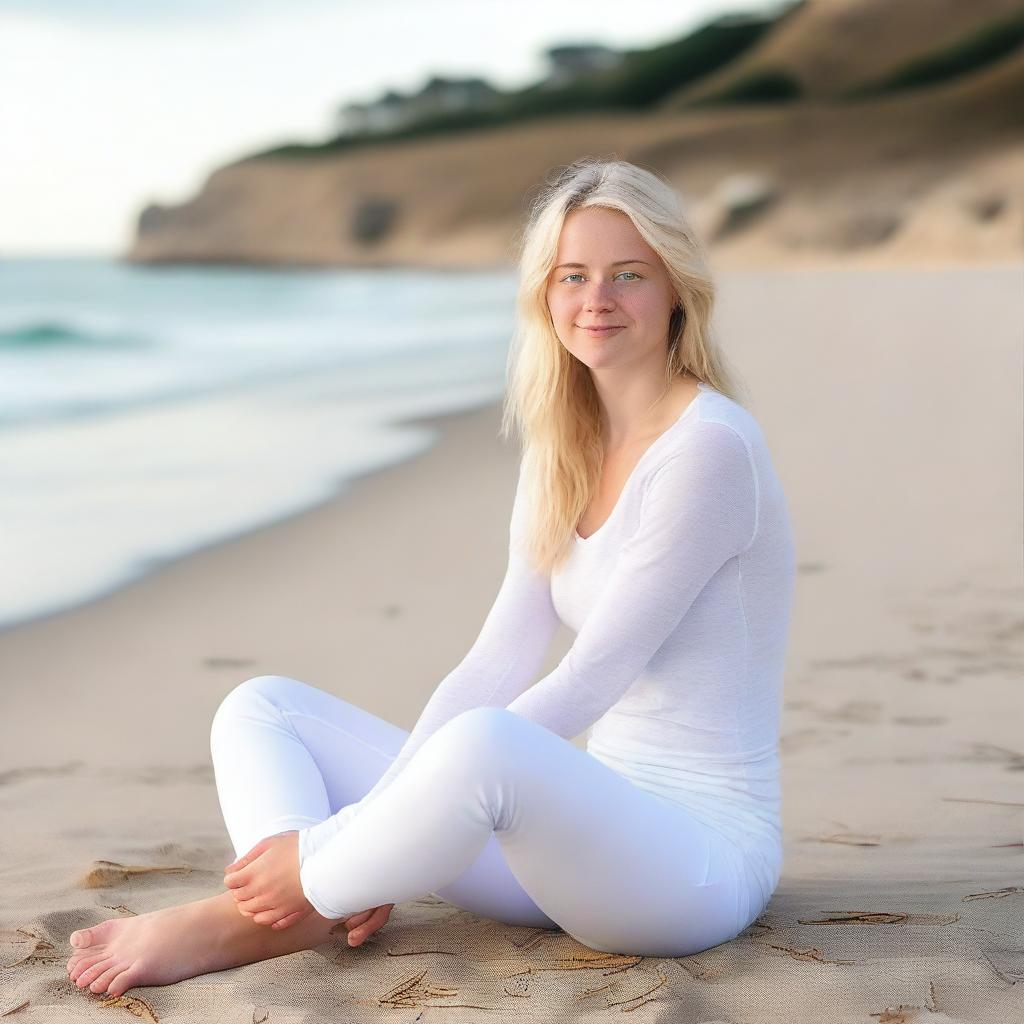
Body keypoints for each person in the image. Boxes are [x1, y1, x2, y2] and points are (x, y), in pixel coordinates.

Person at [65, 157, 796, 997]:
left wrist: (350, 844)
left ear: (675, 290)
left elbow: (592, 677)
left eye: (629, 275)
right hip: (566, 843)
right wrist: (374, 832)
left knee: (486, 745)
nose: (598, 299)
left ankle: (270, 909)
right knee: (263, 709)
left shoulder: (709, 448)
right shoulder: (565, 448)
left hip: (688, 870)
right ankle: (316, 900)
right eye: (574, 276)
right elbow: (496, 661)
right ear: (545, 296)